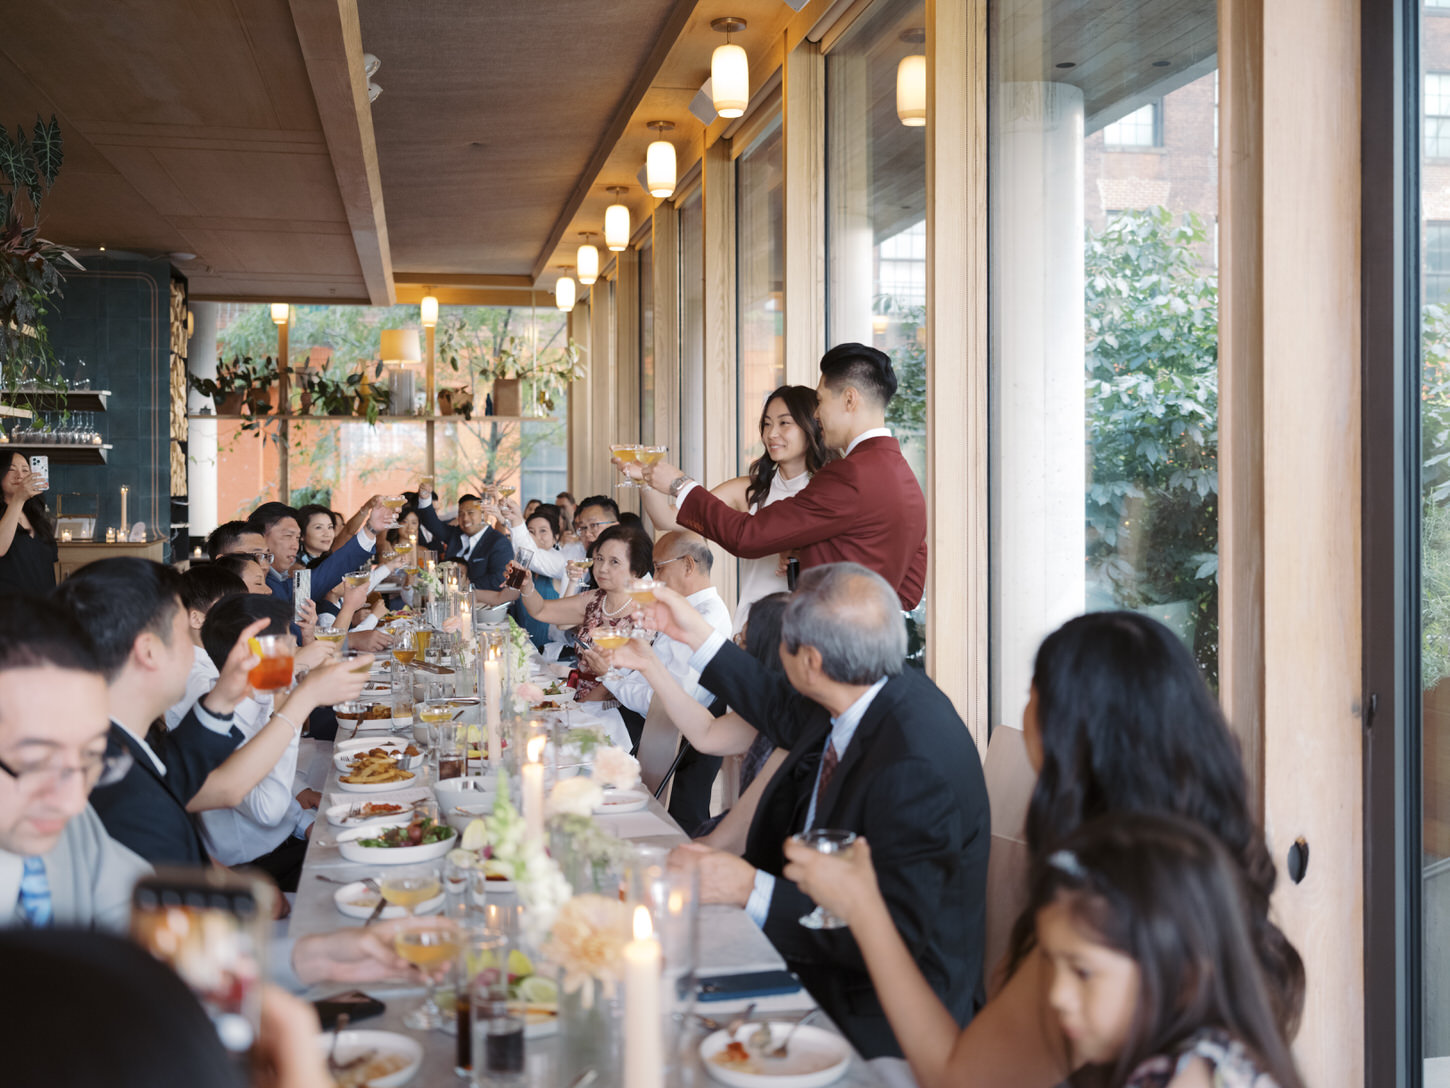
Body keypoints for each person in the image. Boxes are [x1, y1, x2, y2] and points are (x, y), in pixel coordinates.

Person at [781, 611, 1305, 1088]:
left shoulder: (1106, 904)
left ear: (1065, 733)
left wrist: (865, 908)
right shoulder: (1202, 875)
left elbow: (961, 1078)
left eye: (1033, 691)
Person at [642, 565, 989, 1063]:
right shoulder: (867, 688)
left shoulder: (912, 765)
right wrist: (688, 631)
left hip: (873, 1015)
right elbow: (776, 705)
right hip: (815, 953)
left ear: (810, 661)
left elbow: (886, 936)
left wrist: (749, 889)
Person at [641, 344, 928, 610]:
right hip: (871, 651)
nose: (816, 414)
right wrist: (806, 550)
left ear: (850, 399)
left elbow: (748, 536)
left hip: (823, 648)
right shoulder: (907, 481)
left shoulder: (849, 474)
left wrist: (680, 485)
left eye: (820, 401)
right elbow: (909, 593)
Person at [1028, 813, 1304, 1088]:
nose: (1057, 996)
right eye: (1052, 964)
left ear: (1184, 975)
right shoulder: (1217, 1056)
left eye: (1082, 972)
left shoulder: (1187, 1080)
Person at [0, 593, 149, 930]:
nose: (73, 802)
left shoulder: (69, 825)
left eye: (92, 755)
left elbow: (148, 919)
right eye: (36, 761)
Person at [196, 595, 354, 890]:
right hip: (254, 865)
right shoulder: (222, 717)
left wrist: (303, 822)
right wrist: (290, 711)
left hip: (284, 838)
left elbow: (270, 778)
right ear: (256, 652)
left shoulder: (259, 695)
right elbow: (267, 809)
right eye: (290, 644)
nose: (297, 650)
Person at [641, 385, 831, 631]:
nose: (772, 433)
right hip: (750, 622)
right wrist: (643, 478)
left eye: (785, 423)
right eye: (766, 424)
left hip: (804, 627)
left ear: (811, 425)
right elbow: (666, 520)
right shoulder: (751, 490)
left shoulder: (827, 493)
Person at [612, 592, 790, 844]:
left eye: (743, 641)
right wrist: (648, 664)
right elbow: (706, 733)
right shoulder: (767, 713)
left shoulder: (791, 721)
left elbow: (742, 829)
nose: (736, 646)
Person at [593, 531, 732, 830]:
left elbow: (660, 704)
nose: (653, 578)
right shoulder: (682, 609)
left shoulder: (704, 618)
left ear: (688, 566)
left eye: (659, 568)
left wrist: (611, 675)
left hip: (669, 740)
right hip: (653, 726)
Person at [512, 523, 651, 700]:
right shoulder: (594, 600)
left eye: (614, 562)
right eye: (599, 559)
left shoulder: (644, 615)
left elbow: (615, 686)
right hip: (578, 695)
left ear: (636, 571)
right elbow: (540, 610)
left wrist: (576, 710)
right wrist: (527, 585)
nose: (602, 568)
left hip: (614, 708)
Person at [250, 500, 388, 607]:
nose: (294, 545)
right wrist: (371, 529)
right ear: (259, 538)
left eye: (297, 538)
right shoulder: (261, 584)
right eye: (288, 536)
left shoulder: (285, 577)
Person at [166, 564, 249, 730]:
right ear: (197, 619)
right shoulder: (194, 677)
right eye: (231, 609)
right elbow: (238, 733)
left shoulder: (215, 660)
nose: (244, 618)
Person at [415, 487, 512, 592]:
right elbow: (433, 524)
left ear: (484, 514)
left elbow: (499, 579)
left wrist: (466, 587)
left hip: (483, 603)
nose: (465, 518)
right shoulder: (455, 534)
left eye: (470, 513)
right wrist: (424, 499)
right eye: (461, 514)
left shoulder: (498, 542)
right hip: (447, 598)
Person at [0, 451, 57, 597]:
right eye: (11, 469)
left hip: (42, 610)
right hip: (10, 610)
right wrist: (18, 499)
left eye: (25, 470)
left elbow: (51, 565)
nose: (19, 476)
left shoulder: (37, 516)